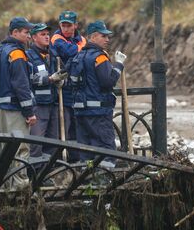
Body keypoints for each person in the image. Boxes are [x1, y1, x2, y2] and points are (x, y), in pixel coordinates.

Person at [0, 17, 37, 189]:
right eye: (26, 32)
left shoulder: (0, 50)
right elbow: (21, 85)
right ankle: (19, 188)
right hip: (14, 109)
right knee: (19, 149)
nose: (29, 36)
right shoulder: (16, 53)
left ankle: (3, 187)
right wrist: (29, 112)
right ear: (14, 32)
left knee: (3, 150)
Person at [68, 21, 126, 165]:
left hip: (81, 112)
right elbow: (108, 81)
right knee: (106, 148)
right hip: (98, 112)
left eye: (108, 36)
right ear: (93, 37)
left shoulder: (78, 56)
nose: (107, 39)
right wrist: (119, 65)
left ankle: (86, 181)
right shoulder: (99, 57)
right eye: (103, 36)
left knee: (86, 149)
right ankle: (104, 179)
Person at [26, 23, 67, 160]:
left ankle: (47, 172)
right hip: (39, 105)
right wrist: (49, 79)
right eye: (42, 34)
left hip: (53, 103)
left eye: (48, 34)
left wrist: (62, 80)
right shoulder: (29, 56)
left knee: (52, 141)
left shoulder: (53, 55)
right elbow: (29, 78)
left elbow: (61, 72)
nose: (47, 37)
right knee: (37, 141)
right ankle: (35, 171)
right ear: (33, 37)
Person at [49, 11, 86, 161]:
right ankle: (60, 160)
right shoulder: (56, 38)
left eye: (69, 26)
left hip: (77, 89)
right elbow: (69, 51)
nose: (66, 28)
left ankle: (76, 159)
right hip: (62, 89)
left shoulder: (81, 39)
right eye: (63, 25)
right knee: (63, 125)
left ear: (75, 25)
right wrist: (82, 48)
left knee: (77, 128)